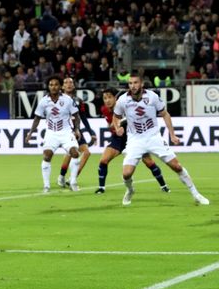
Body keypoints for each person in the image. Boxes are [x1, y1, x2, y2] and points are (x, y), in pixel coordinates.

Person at [112, 74, 209, 206]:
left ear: (141, 84)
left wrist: (172, 135)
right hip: (135, 141)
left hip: (154, 138)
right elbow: (116, 117)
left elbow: (165, 114)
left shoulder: (152, 97)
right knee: (126, 174)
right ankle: (130, 190)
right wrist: (117, 128)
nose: (132, 86)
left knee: (177, 166)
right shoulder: (122, 100)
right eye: (130, 83)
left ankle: (196, 194)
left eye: (135, 83)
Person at [95, 88, 170, 194]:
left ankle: (164, 186)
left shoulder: (125, 105)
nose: (107, 100)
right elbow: (111, 125)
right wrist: (118, 124)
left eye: (109, 97)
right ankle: (101, 188)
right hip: (119, 139)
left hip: (135, 138)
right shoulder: (104, 110)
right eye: (105, 98)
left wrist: (124, 121)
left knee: (149, 162)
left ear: (115, 98)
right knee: (103, 160)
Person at [25, 76, 81, 192]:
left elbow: (76, 116)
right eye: (51, 85)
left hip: (66, 132)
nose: (53, 87)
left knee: (75, 153)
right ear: (48, 87)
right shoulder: (44, 101)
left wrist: (76, 129)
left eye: (56, 84)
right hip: (51, 133)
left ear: (60, 86)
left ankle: (73, 181)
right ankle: (46, 186)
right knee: (47, 156)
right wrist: (30, 133)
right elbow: (37, 118)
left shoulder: (67, 100)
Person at [58, 77, 96, 187]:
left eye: (71, 82)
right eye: (66, 82)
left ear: (74, 86)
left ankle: (72, 178)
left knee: (86, 152)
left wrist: (91, 132)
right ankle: (61, 176)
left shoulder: (79, 101)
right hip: (66, 131)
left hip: (77, 130)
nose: (69, 84)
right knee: (71, 152)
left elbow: (83, 117)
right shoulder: (58, 100)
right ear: (62, 87)